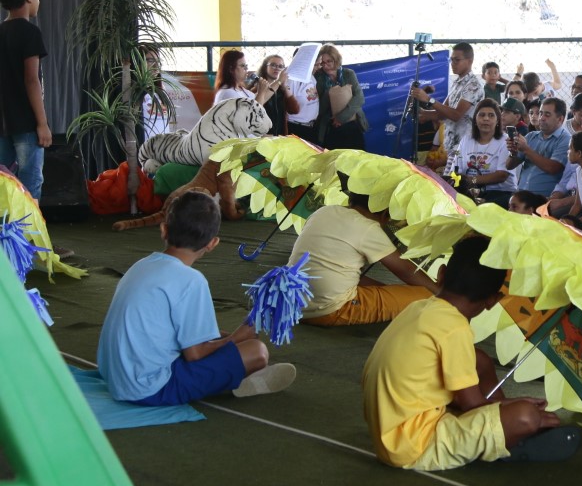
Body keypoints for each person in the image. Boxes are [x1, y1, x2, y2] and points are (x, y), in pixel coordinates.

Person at [362, 236, 576, 470]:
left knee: (480, 360)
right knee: (526, 416)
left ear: (441, 274)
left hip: (392, 431)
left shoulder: (420, 307)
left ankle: (497, 423)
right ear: (492, 301)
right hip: (414, 446)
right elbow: (472, 405)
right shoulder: (455, 328)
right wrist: (515, 406)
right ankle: (504, 442)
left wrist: (502, 405)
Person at [97, 191, 296, 404]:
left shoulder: (142, 265)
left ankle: (231, 375)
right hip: (148, 388)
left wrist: (226, 338)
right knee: (257, 352)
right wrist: (236, 337)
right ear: (213, 243)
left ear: (164, 229)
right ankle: (233, 380)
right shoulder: (191, 280)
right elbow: (195, 354)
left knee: (227, 341)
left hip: (114, 378)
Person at [295, 181, 437, 326]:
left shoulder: (324, 211)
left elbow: (344, 274)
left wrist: (390, 291)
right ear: (385, 213)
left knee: (390, 290)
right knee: (426, 297)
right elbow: (405, 271)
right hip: (329, 309)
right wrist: (440, 292)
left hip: (295, 303)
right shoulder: (368, 227)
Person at [0, 0, 51, 201]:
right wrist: (42, 123)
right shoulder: (30, 32)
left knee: (4, 185)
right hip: (25, 123)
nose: (38, 1)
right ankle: (28, 236)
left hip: (2, 123)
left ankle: (5, 236)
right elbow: (32, 80)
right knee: (30, 183)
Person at [416, 43, 483, 169]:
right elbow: (443, 113)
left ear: (470, 61)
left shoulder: (473, 85)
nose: (453, 63)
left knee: (457, 184)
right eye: (451, 60)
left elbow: (456, 115)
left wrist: (429, 99)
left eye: (457, 60)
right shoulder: (457, 83)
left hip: (465, 147)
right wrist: (422, 112)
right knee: (449, 184)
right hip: (451, 146)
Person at [455, 99, 516, 208]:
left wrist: (470, 180)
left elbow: (501, 175)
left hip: (499, 193)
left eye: (491, 115)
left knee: (479, 209)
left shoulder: (505, 141)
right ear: (475, 119)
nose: (486, 119)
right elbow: (455, 171)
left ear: (498, 120)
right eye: (481, 115)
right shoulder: (465, 140)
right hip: (470, 191)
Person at [507, 97, 570, 199]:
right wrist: (513, 152)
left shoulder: (565, 139)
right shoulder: (531, 136)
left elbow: (552, 168)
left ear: (560, 119)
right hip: (520, 194)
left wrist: (526, 149)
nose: (541, 117)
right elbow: (509, 166)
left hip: (544, 199)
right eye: (541, 113)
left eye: (547, 115)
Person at [314, 44, 369, 150]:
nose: (325, 66)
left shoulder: (348, 74)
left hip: (352, 123)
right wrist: (328, 94)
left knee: (356, 159)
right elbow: (319, 108)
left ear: (336, 59)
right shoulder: (318, 78)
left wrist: (341, 117)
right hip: (330, 126)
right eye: (322, 63)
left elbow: (359, 98)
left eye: (329, 61)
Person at [252, 54, 301, 136]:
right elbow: (254, 107)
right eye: (273, 65)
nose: (277, 68)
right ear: (265, 67)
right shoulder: (258, 87)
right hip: (263, 136)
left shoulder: (281, 90)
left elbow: (294, 110)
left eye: (281, 66)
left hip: (280, 136)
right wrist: (278, 81)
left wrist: (285, 88)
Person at [286, 46, 320, 144]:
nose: (318, 67)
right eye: (315, 64)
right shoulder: (291, 79)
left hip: (311, 127)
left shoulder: (310, 76)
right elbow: (288, 107)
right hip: (296, 128)